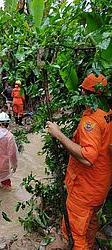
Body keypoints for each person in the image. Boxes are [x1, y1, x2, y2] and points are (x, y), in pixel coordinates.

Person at [46, 73, 112, 249]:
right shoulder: (107, 112)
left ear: (85, 93)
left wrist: (59, 135)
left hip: (85, 188)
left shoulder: (90, 120)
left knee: (75, 234)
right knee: (89, 223)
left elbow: (88, 157)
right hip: (100, 185)